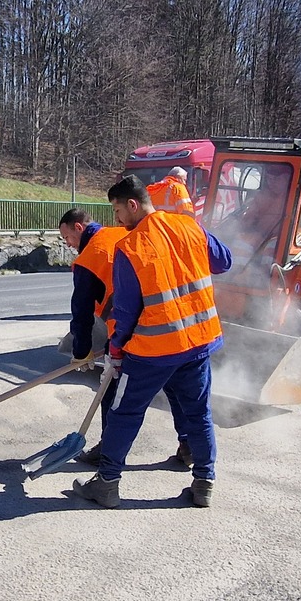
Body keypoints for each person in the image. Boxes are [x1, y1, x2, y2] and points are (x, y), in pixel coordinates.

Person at [72, 175, 233, 509]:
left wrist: (116, 349)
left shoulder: (131, 246)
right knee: (198, 413)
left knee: (124, 412)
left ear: (132, 205)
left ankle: (107, 484)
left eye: (118, 211)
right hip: (198, 343)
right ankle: (204, 483)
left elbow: (127, 310)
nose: (117, 220)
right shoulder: (189, 226)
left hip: (154, 350)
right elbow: (224, 261)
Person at [57, 209, 193, 468]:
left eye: (67, 237)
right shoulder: (121, 233)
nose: (68, 244)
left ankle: (108, 452)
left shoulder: (88, 258)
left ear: (79, 227)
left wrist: (82, 351)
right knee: (174, 386)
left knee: (114, 391)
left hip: (130, 331)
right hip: (168, 322)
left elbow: (82, 312)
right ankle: (189, 445)